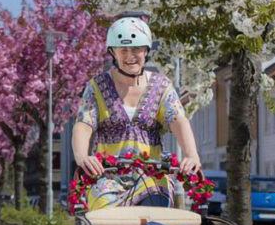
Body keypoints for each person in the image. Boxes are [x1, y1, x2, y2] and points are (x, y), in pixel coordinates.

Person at [72, 15, 202, 209]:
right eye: (123, 49)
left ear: (146, 51)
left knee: (156, 212)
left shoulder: (161, 86)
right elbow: (83, 125)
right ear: (113, 52)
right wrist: (83, 157)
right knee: (105, 219)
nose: (129, 55)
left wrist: (192, 155)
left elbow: (178, 120)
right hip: (107, 177)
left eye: (136, 49)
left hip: (151, 176)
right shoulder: (96, 86)